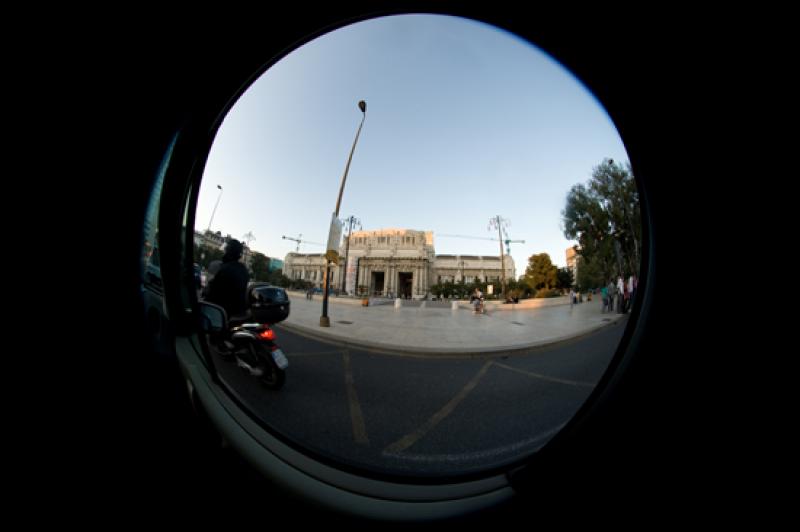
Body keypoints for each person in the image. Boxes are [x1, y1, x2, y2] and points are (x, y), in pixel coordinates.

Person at [204, 239, 250, 319]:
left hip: (221, 313)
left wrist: (207, 290)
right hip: (237, 314)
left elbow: (212, 292)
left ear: (228, 251)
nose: (224, 251)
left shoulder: (225, 269)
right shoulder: (243, 270)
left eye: (226, 249)